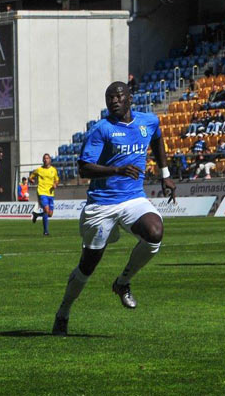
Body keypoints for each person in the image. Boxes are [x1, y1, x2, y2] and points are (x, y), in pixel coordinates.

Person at [51, 81, 175, 336]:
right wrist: (117, 169)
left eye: (118, 96)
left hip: (132, 199)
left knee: (155, 233)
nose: (114, 101)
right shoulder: (101, 129)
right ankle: (64, 311)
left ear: (130, 98)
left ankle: (123, 283)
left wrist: (165, 173)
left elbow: (157, 139)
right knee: (88, 266)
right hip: (101, 204)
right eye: (109, 98)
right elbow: (84, 168)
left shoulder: (148, 121)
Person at [29, 154, 59, 236]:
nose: (46, 160)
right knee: (46, 210)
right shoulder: (39, 170)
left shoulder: (54, 170)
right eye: (44, 158)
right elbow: (31, 177)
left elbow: (56, 180)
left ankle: (36, 214)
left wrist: (55, 184)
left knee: (50, 214)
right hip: (41, 192)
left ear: (50, 160)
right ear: (43, 160)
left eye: (47, 158)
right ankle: (46, 231)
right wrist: (31, 180)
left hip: (50, 193)